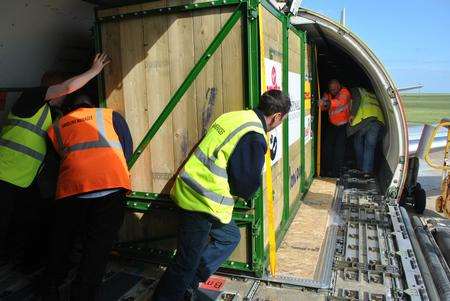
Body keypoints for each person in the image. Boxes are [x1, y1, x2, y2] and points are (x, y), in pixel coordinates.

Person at [152, 90, 291, 301]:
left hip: (196, 190)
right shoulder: (254, 135)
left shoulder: (235, 116)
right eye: (282, 120)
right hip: (201, 200)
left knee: (229, 237)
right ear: (277, 116)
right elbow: (244, 185)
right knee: (185, 262)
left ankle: (190, 280)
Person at [0, 53, 111, 260]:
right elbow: (68, 87)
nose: (66, 95)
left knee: (25, 223)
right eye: (62, 91)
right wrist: (94, 71)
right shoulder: (30, 98)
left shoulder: (55, 115)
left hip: (25, 181)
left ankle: (17, 261)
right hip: (4, 175)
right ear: (53, 89)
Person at [43, 93, 133, 300]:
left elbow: (56, 162)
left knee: (62, 242)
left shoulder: (56, 127)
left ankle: (50, 288)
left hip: (72, 191)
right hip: (110, 187)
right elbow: (126, 150)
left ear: (68, 108)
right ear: (91, 104)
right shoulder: (111, 116)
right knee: (97, 247)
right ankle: (82, 294)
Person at [347, 87, 385, 174]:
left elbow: (357, 100)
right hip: (377, 121)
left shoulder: (357, 90)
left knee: (358, 141)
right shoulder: (373, 94)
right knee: (370, 147)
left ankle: (360, 166)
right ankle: (367, 171)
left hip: (364, 121)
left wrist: (352, 114)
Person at [320, 79, 351, 177]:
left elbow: (340, 102)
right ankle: (327, 169)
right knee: (327, 147)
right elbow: (323, 107)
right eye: (331, 90)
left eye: (334, 89)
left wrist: (326, 103)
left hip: (343, 126)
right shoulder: (328, 94)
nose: (332, 91)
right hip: (332, 125)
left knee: (339, 149)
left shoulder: (344, 92)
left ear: (338, 87)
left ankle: (336, 172)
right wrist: (323, 104)